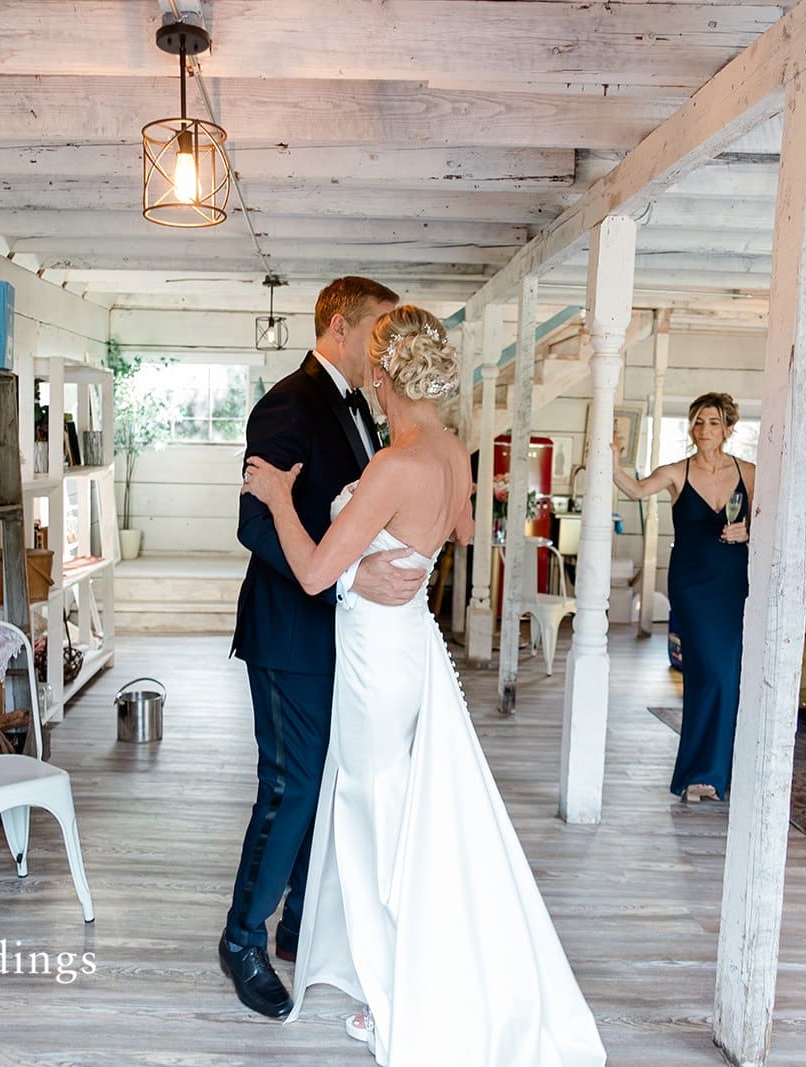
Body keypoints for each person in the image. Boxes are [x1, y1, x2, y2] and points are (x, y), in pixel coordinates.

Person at [242, 306, 605, 1066]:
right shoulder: (452, 453)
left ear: (381, 375)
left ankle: (396, 987)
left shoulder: (394, 465)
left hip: (376, 655)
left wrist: (278, 499)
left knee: (374, 815)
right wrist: (412, 549)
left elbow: (313, 573)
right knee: (401, 805)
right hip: (411, 645)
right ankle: (397, 955)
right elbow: (464, 531)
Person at [220, 277, 429, 1020]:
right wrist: (347, 575)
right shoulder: (287, 404)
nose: (385, 348)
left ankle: (299, 922)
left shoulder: (363, 408)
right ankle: (242, 938)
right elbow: (254, 523)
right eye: (378, 331)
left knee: (327, 779)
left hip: (341, 631)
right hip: (289, 630)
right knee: (291, 785)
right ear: (340, 325)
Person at [612, 393, 754, 802]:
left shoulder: (749, 472)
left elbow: (772, 520)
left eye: (713, 422)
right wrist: (614, 464)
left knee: (727, 674)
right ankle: (698, 773)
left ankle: (716, 772)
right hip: (691, 585)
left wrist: (748, 531)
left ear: (728, 428)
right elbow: (636, 490)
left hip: (733, 584)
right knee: (704, 671)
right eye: (698, 422)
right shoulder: (677, 471)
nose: (704, 430)